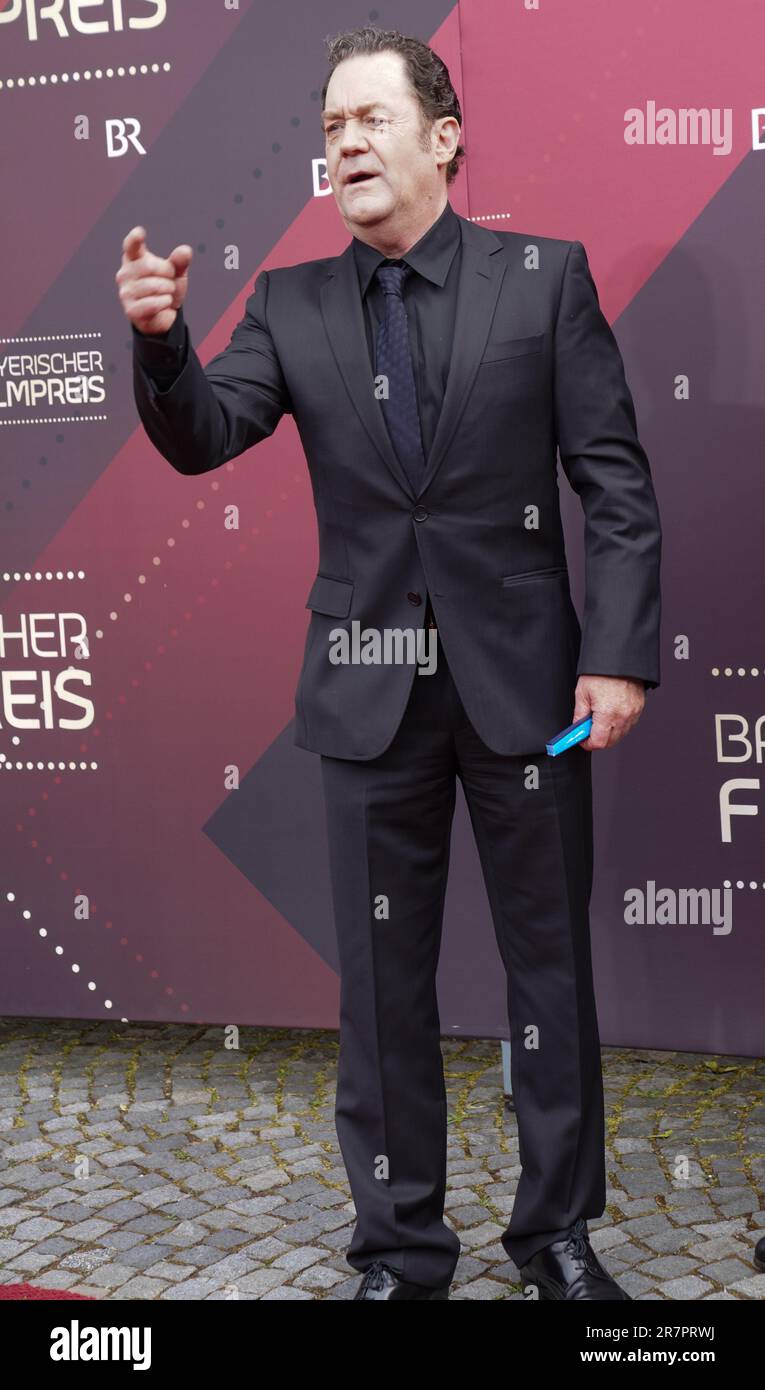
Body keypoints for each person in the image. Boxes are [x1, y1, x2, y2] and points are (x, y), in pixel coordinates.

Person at [118, 26, 662, 1301]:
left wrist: (622, 655)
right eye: (330, 128)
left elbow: (615, 485)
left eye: (369, 119)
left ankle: (559, 1238)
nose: (345, 143)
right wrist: (161, 345)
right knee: (379, 988)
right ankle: (401, 1250)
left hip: (531, 693)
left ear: (444, 136)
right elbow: (205, 435)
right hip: (366, 694)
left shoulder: (545, 280)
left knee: (552, 973)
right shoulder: (293, 302)